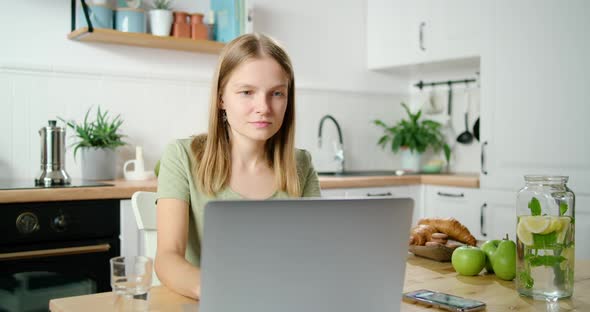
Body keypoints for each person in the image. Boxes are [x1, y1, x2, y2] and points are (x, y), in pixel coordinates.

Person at [154, 33, 321, 299]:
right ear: (221, 97)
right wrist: (222, 290)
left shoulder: (301, 164)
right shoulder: (182, 156)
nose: (263, 107)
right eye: (247, 92)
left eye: (277, 93)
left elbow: (315, 253)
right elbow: (167, 258)